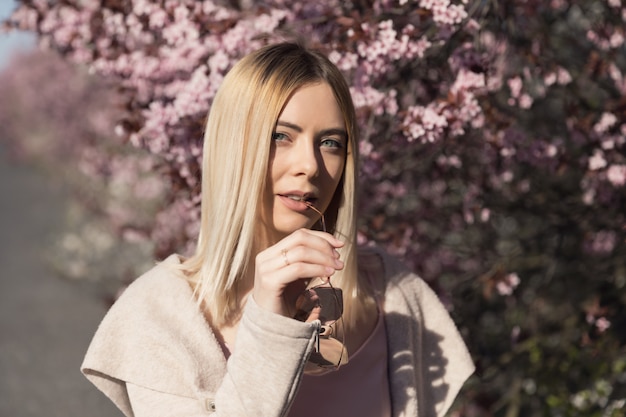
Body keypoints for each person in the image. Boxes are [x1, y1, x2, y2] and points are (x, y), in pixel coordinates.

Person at [81, 42, 474, 417]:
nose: (310, 165)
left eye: (331, 143)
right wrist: (270, 324)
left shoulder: (393, 295)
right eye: (280, 136)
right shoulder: (159, 314)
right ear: (234, 146)